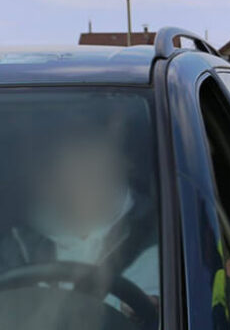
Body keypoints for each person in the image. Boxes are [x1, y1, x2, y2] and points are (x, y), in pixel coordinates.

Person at [0, 123, 159, 307]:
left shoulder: (166, 238)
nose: (68, 164)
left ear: (126, 159)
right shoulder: (17, 244)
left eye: (84, 143)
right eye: (48, 155)